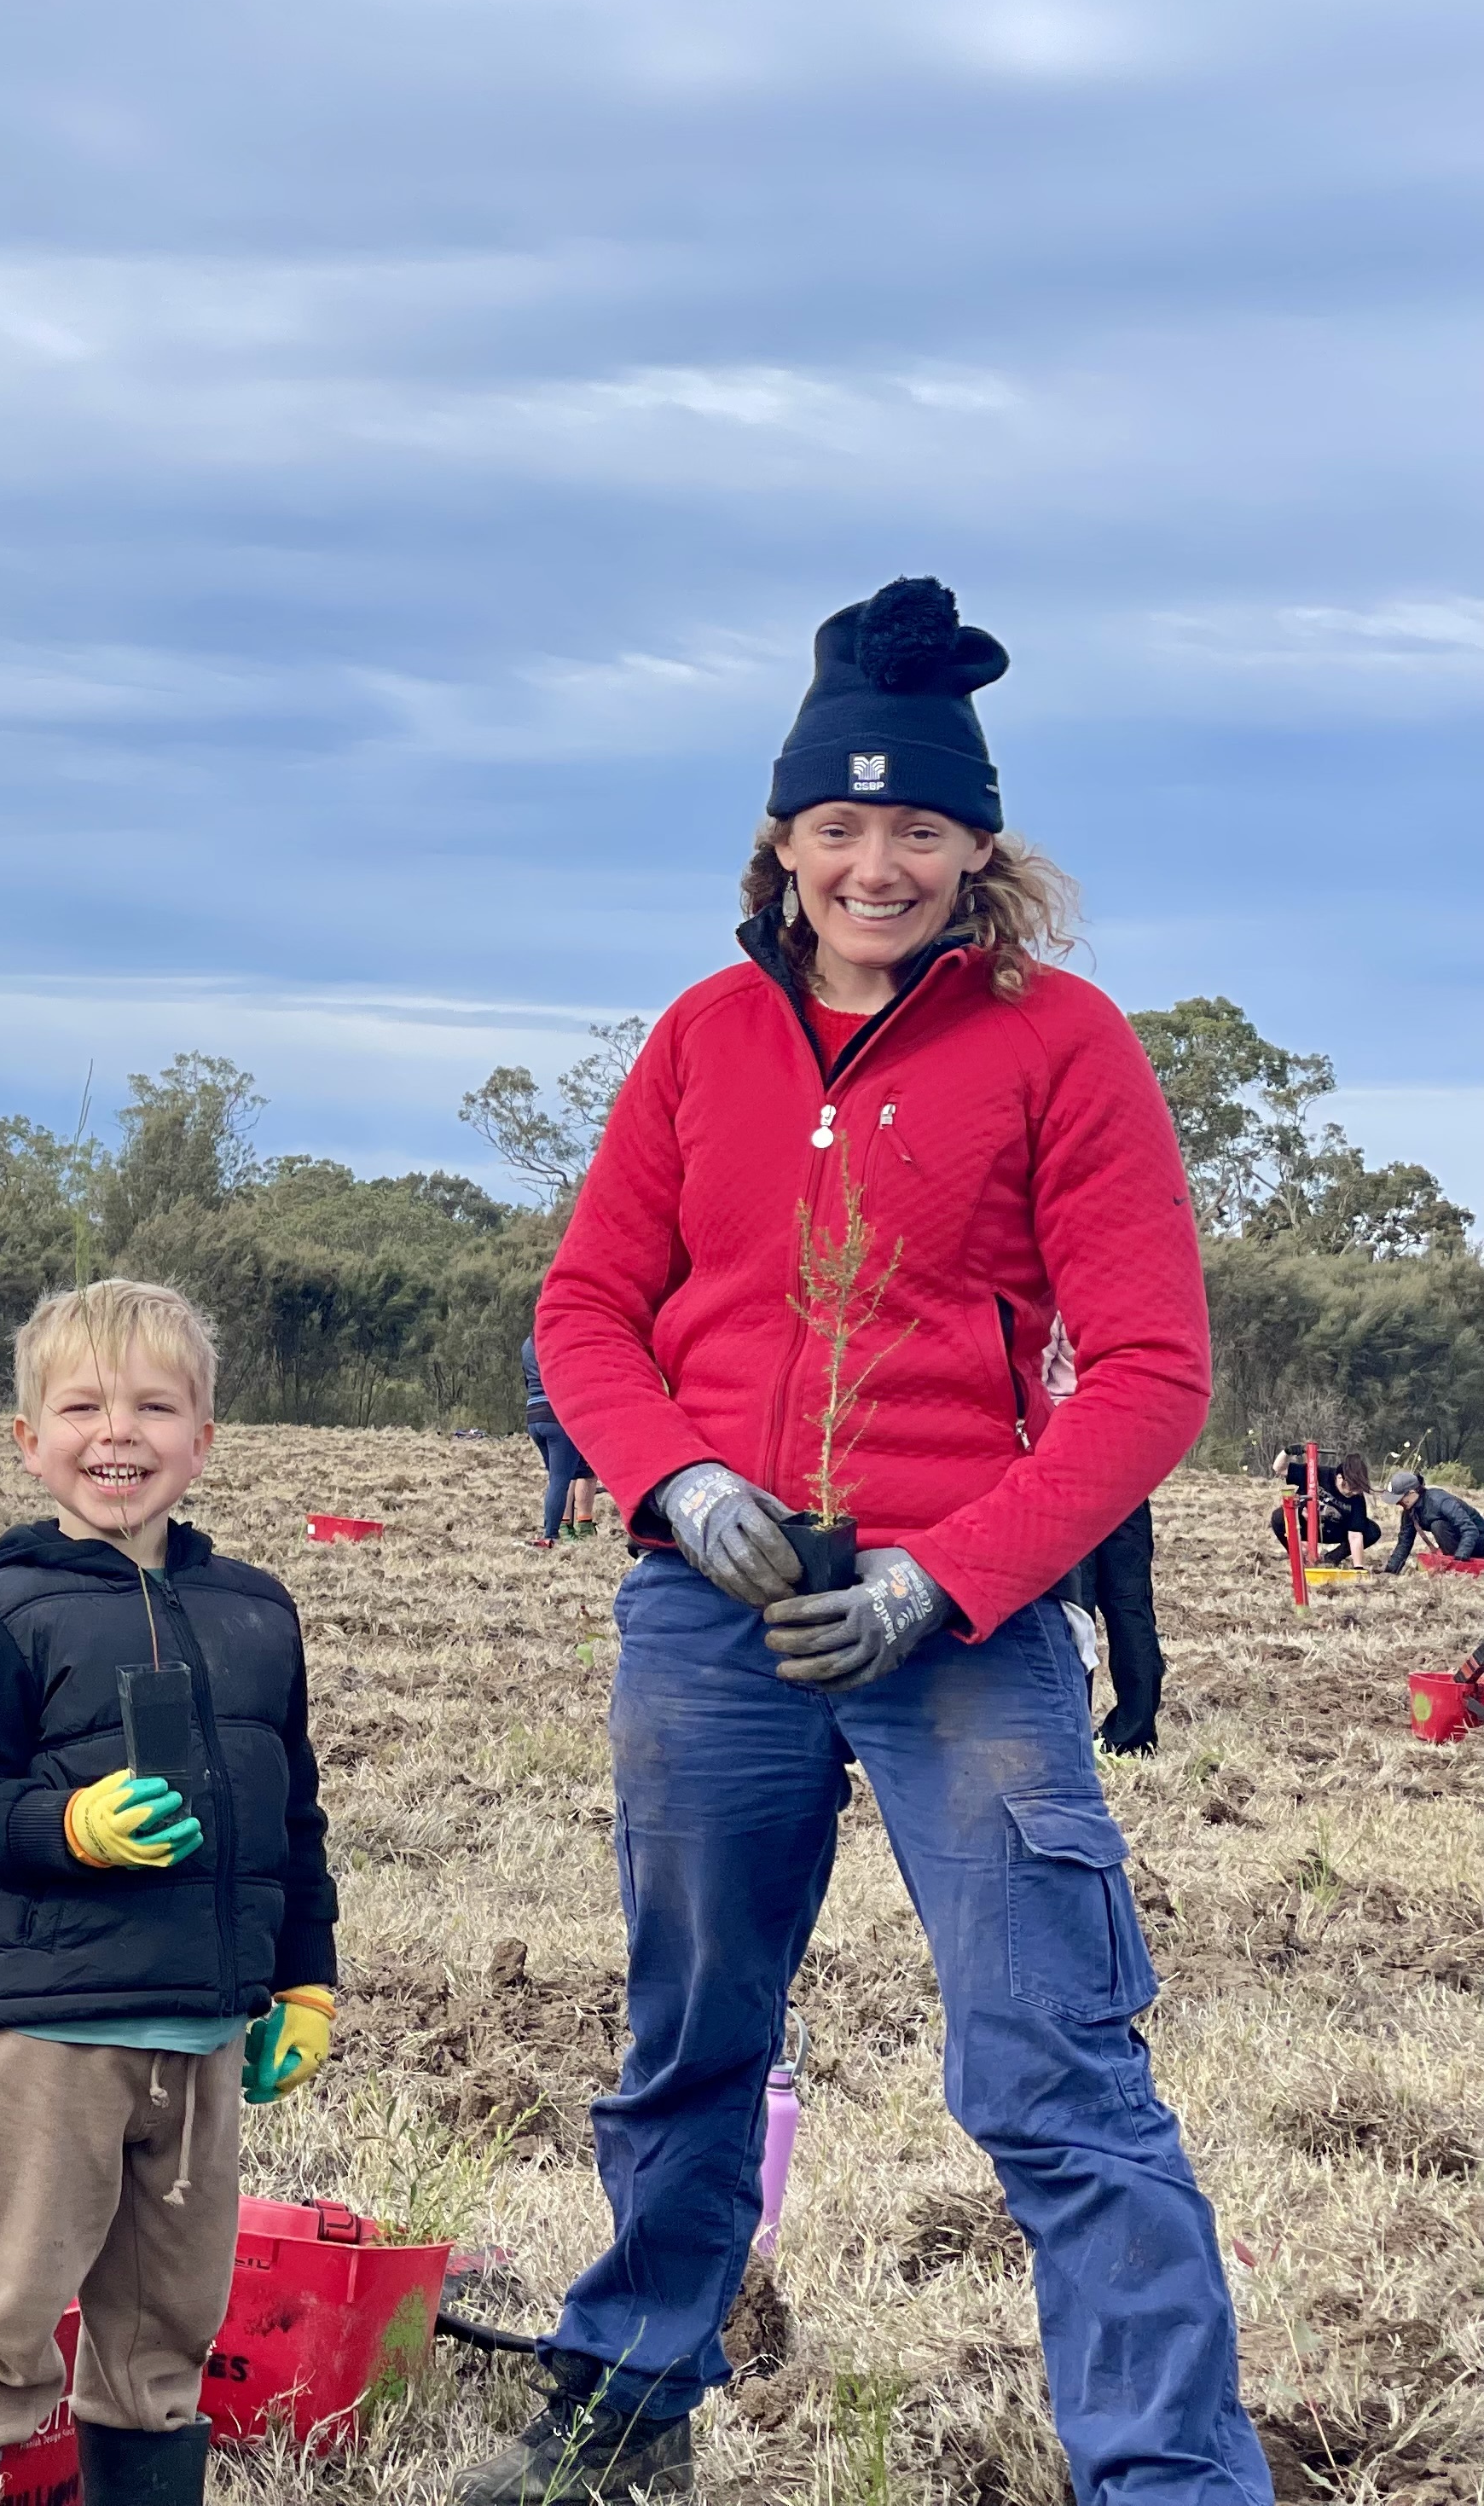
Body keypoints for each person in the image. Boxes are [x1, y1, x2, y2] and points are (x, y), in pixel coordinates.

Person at [504, 578, 1267, 2503]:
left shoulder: (1062, 1041)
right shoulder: (700, 1041)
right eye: (838, 827)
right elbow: (585, 1311)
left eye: (917, 827)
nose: (876, 862)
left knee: (1057, 2070)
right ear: (783, 841)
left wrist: (951, 1573)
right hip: (716, 1621)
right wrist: (680, 1483)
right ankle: (625, 2402)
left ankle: (1168, 2472)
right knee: (689, 2037)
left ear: (976, 847)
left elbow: (1155, 1374)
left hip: (965, 1628)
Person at [0, 1281, 340, 2506]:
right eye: (82, 1406)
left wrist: (303, 1978)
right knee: (8, 2300)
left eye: (154, 1405)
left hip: (202, 2039)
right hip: (54, 2029)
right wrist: (72, 1825)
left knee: (164, 2328)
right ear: (29, 1440)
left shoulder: (256, 1610)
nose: (118, 1434)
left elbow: (292, 1816)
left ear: (205, 1437)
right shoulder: (6, 1608)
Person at [1086, 1500, 1165, 1755]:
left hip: (1064, 1490)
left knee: (1071, 1614)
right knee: (1130, 1611)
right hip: (1126, 1491)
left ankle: (1067, 1725)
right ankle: (1133, 1734)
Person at [522, 1327, 602, 1545]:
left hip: (533, 1415)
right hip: (556, 1416)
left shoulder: (527, 1345)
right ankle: (552, 1534)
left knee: (561, 1477)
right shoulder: (556, 1341)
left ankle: (564, 1527)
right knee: (561, 1479)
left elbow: (528, 1382)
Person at [1269, 1449, 1381, 1567]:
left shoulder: (1357, 1498)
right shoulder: (1316, 1473)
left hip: (1333, 1529)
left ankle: (1330, 1559)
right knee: (1279, 1517)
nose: (1352, 1493)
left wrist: (1359, 1568)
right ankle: (1296, 1555)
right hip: (1303, 1526)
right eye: (1349, 1489)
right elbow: (1279, 1469)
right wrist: (1287, 1452)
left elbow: (1355, 1535)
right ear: (1339, 1477)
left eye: (1356, 1490)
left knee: (1372, 1531)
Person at [1386, 1469, 1484, 1571]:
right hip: (1460, 1542)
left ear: (1412, 1492)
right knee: (1438, 1526)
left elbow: (1470, 1530)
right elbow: (1404, 1543)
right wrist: (1389, 1572)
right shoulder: (1410, 1511)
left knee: (1438, 1526)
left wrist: (1460, 1559)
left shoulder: (1440, 1500)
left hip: (1478, 1539)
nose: (1398, 1503)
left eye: (1399, 1499)